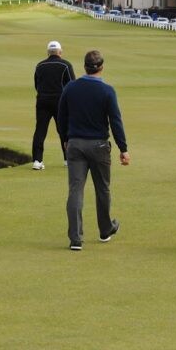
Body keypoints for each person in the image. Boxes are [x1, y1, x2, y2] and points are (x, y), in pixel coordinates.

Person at [57, 50, 129, 251]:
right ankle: (105, 229)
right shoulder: (107, 91)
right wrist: (123, 149)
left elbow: (61, 116)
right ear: (102, 67)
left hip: (75, 144)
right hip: (98, 145)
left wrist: (65, 139)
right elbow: (115, 122)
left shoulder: (71, 88)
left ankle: (75, 238)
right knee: (102, 188)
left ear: (84, 67)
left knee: (75, 190)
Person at [31, 40, 76, 170]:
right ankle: (68, 159)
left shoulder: (39, 65)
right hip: (60, 102)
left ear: (48, 52)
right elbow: (72, 85)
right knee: (64, 130)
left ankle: (37, 161)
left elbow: (36, 85)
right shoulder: (65, 65)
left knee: (40, 130)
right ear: (60, 52)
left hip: (42, 101)